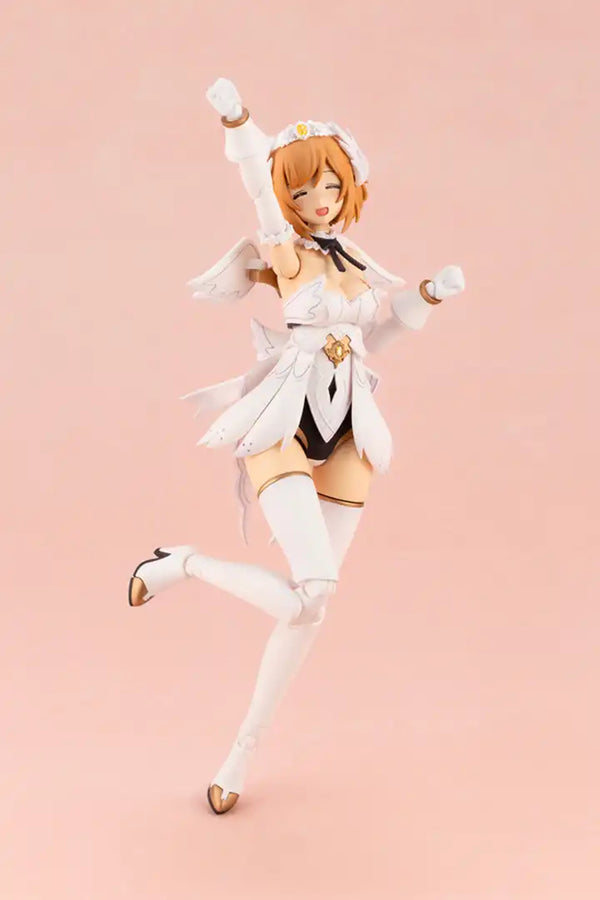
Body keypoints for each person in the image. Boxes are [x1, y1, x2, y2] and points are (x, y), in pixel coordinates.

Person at [128, 77, 465, 815]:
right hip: (285, 418)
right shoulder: (285, 250)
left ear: (350, 186)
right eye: (305, 189)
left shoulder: (356, 262)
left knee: (312, 606)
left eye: (331, 185)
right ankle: (184, 563)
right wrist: (238, 123)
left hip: (350, 427)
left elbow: (376, 339)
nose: (320, 200)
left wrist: (426, 298)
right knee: (311, 594)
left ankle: (241, 751)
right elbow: (256, 186)